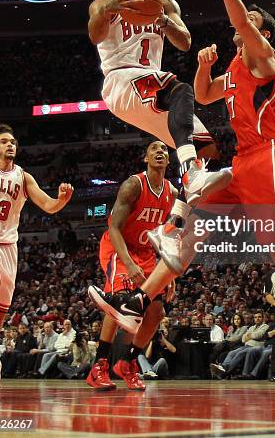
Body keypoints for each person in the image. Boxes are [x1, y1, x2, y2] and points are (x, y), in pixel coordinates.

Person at [89, 0, 275, 383]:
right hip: (238, 152)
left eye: (251, 23)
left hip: (273, 156)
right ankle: (141, 293)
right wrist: (202, 65)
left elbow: (214, 27)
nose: (242, 26)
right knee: (195, 216)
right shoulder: (234, 68)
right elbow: (205, 91)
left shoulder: (262, 56)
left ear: (263, 33)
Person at [87, 0, 224, 232]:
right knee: (180, 89)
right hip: (122, 80)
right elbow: (95, 34)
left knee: (205, 150)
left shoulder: (165, 3)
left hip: (149, 86)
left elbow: (185, 42)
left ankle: (171, 228)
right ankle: (190, 175)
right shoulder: (102, 4)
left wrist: (161, 18)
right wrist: (112, 6)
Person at [0, 124, 73, 390]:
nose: (10, 145)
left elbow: (48, 206)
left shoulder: (24, 178)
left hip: (8, 247)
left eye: (13, 141)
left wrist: (62, 200)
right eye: (4, 142)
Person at [87, 141, 176, 391]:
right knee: (121, 301)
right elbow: (114, 227)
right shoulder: (133, 185)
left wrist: (169, 271)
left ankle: (127, 363)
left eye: (164, 150)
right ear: (145, 158)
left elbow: (165, 234)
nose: (160, 152)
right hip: (120, 246)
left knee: (156, 312)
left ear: (169, 160)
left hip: (147, 252)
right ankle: (99, 365)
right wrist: (127, 262)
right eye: (154, 149)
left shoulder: (172, 192)